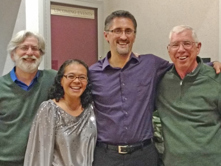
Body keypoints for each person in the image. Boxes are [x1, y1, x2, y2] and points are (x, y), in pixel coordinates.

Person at [89, 10, 221, 166]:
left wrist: (211, 66)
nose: (123, 36)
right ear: (106, 35)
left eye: (128, 31)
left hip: (144, 154)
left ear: (134, 36)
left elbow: (183, 65)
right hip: (106, 156)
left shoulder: (151, 65)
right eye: (117, 31)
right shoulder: (92, 73)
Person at [156, 25, 221, 166]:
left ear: (198, 47)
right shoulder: (160, 81)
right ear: (168, 50)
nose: (181, 49)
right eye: (175, 45)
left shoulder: (216, 79)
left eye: (187, 43)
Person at [24, 59, 97, 166]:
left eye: (82, 77)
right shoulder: (49, 110)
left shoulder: (90, 109)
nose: (77, 81)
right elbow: (39, 156)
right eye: (71, 76)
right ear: (61, 80)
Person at [0, 30, 57, 166]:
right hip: (7, 162)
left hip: (43, 160)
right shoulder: (1, 87)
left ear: (41, 54)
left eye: (35, 49)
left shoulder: (53, 79)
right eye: (24, 48)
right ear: (13, 54)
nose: (30, 53)